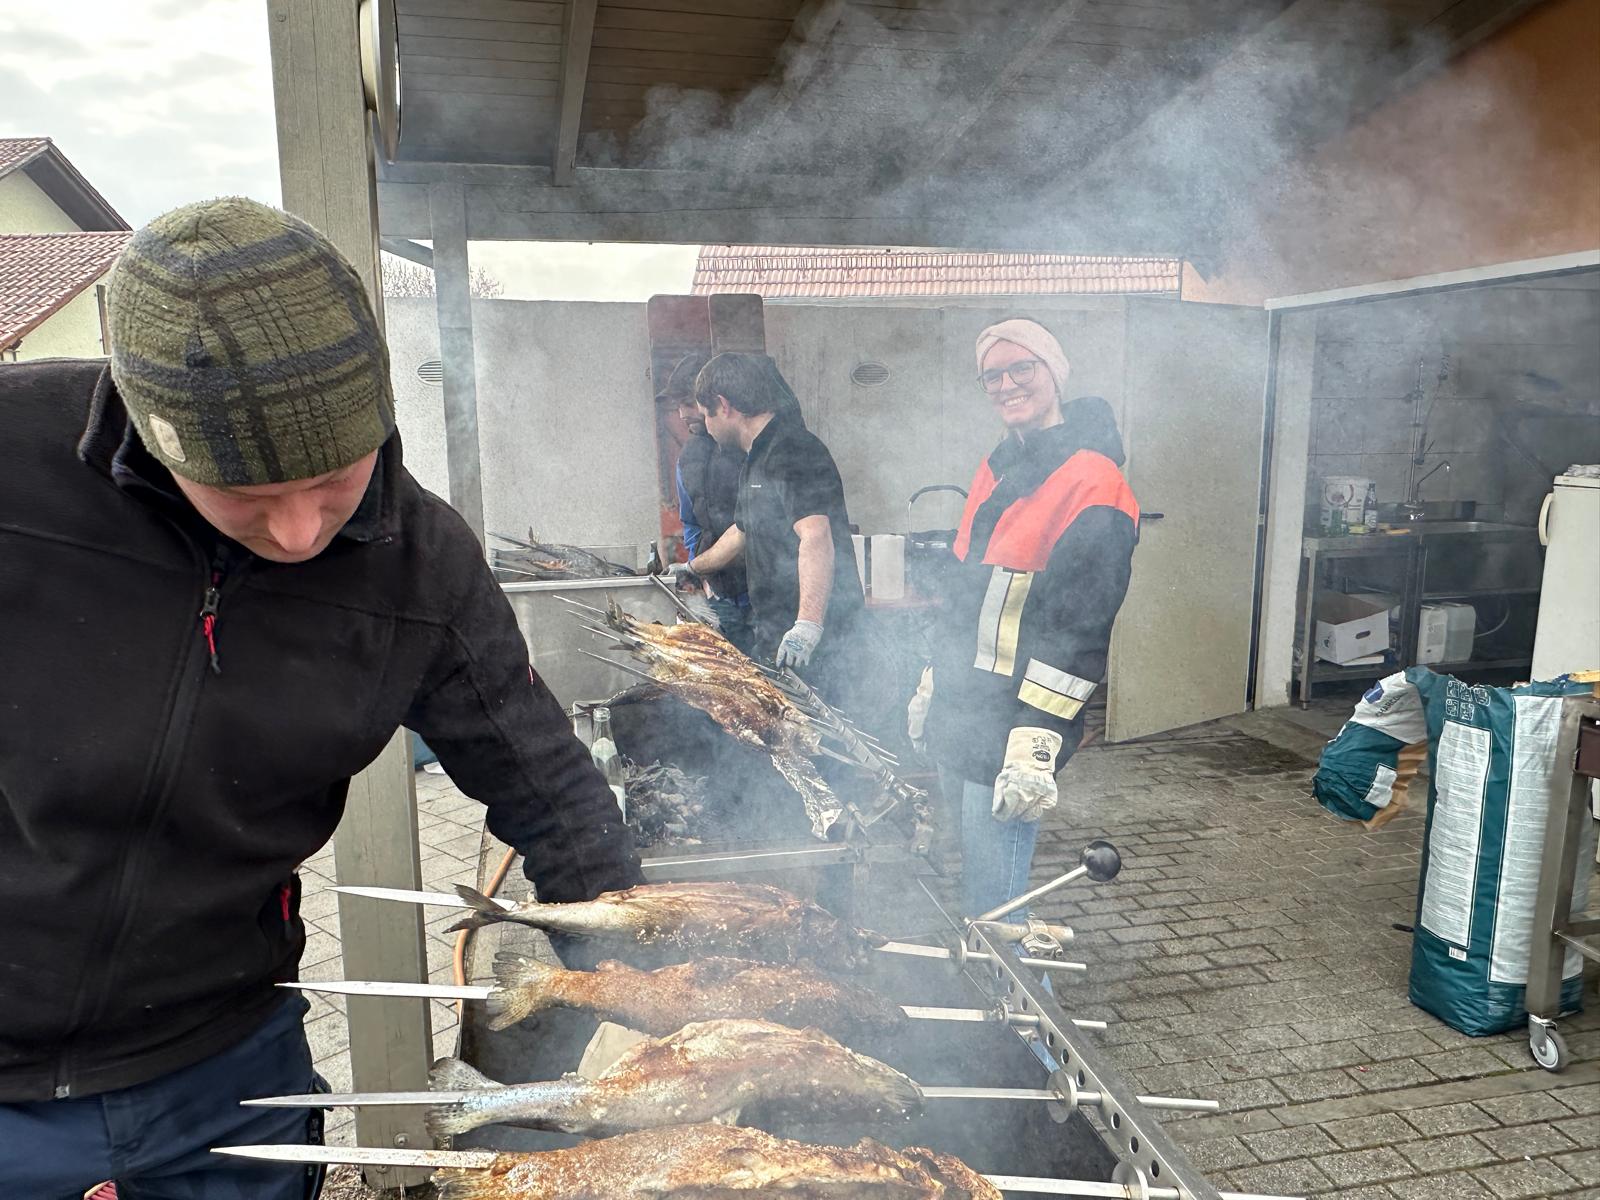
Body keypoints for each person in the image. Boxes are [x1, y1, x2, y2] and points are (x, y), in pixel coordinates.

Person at [0, 198, 642, 1198]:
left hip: (226, 1066)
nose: (301, 533)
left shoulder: (420, 561)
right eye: (247, 498)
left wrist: (641, 969)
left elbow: (546, 786)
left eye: (334, 480)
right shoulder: (15, 465)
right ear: (156, 442)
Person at [917, 318, 1139, 920]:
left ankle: (1015, 981)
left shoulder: (1095, 480)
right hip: (964, 707)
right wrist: (934, 676)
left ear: (1054, 374)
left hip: (1015, 719)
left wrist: (1037, 738)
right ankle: (988, 971)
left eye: (1023, 368)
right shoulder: (996, 467)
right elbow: (964, 588)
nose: (1007, 384)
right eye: (993, 375)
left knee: (997, 902)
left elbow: (1081, 626)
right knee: (975, 883)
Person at [682, 353, 872, 713]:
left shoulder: (793, 449)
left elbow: (815, 535)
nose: (706, 424)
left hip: (822, 644)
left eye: (706, 413)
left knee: (828, 738)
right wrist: (693, 568)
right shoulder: (755, 456)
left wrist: (807, 627)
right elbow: (741, 532)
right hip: (775, 634)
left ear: (724, 405)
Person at [660, 350, 755, 656]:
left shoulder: (751, 449)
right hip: (720, 596)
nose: (682, 414)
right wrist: (697, 578)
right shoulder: (687, 458)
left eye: (689, 403)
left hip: (762, 598)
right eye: (677, 405)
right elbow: (691, 524)